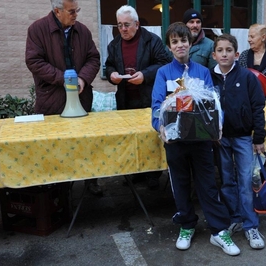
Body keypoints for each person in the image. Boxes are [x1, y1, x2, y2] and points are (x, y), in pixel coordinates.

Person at [151, 22, 240, 256]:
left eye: (184, 41)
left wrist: (217, 125)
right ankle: (187, 225)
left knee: (208, 185)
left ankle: (219, 230)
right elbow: (157, 106)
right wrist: (160, 127)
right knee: (180, 185)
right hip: (175, 141)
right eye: (175, 42)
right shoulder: (164, 74)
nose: (180, 45)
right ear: (169, 46)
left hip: (201, 140)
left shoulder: (202, 73)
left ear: (190, 44)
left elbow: (214, 103)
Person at [25, 0, 102, 195]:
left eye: (77, 10)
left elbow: (94, 58)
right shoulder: (37, 29)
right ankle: (58, 188)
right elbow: (33, 61)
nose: (76, 14)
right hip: (52, 99)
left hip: (81, 97)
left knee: (85, 143)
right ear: (57, 11)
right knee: (55, 146)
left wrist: (83, 78)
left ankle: (90, 181)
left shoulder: (82, 31)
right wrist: (65, 80)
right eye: (71, 11)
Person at [210, 34, 266, 250]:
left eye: (228, 50)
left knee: (245, 182)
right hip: (220, 139)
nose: (224, 54)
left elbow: (257, 107)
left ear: (236, 54)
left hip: (243, 137)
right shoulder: (210, 77)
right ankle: (235, 218)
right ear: (214, 55)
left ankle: (251, 225)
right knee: (226, 181)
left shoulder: (247, 77)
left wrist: (259, 136)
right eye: (220, 50)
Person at [105, 5, 170, 190]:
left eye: (127, 25)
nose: (123, 29)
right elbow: (108, 66)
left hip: (148, 98)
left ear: (137, 24)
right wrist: (111, 75)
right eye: (119, 25)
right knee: (130, 139)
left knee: (150, 137)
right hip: (125, 99)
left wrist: (145, 75)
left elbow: (163, 63)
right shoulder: (114, 44)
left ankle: (153, 175)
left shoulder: (152, 40)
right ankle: (135, 172)